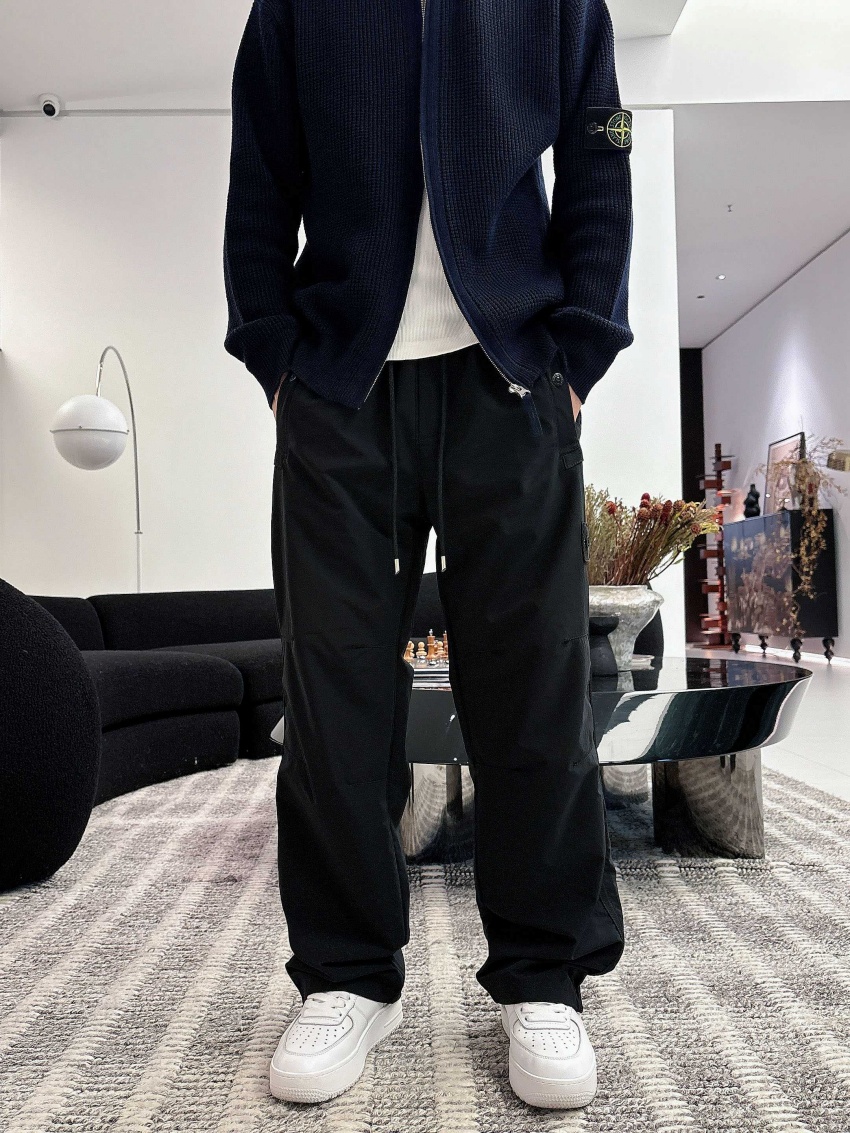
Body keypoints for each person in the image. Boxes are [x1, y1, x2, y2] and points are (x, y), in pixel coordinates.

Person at [223, 0, 634, 1110]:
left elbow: (599, 156)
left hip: (510, 376)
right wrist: (276, 364)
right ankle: (349, 973)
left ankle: (543, 974)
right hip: (339, 386)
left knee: (537, 685)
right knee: (333, 693)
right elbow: (259, 176)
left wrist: (579, 353)